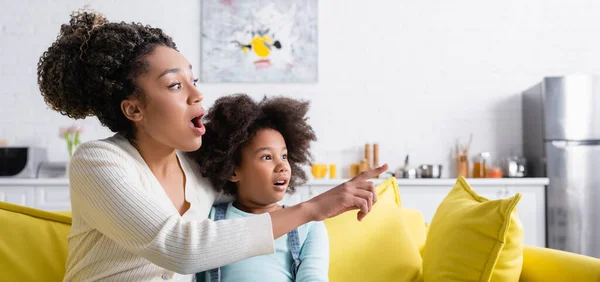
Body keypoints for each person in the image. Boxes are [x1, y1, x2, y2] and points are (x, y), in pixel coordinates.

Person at [37, 8, 387, 281]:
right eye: (175, 85)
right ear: (134, 109)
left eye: (194, 79)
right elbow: (180, 248)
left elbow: (251, 198)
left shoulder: (199, 169)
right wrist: (312, 209)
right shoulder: (99, 161)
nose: (197, 94)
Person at [192, 94, 328, 282]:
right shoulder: (210, 220)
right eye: (266, 157)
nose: (282, 166)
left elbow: (314, 278)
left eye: (284, 156)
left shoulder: (308, 224)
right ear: (232, 171)